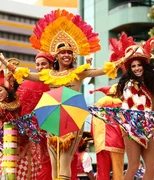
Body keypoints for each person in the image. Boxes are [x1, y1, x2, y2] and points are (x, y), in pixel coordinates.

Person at [0, 9, 137, 180]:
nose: (66, 55)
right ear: (56, 56)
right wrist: (5, 62)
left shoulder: (79, 72)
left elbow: (103, 70)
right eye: (63, 52)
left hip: (71, 120)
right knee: (54, 164)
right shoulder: (48, 75)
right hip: (52, 119)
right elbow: (26, 74)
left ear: (73, 56)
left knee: (64, 164)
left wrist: (124, 59)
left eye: (69, 53)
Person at [113, 33, 154, 180]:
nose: (136, 68)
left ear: (144, 65)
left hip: (147, 128)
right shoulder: (128, 85)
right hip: (131, 128)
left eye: (139, 65)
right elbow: (132, 110)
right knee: (133, 166)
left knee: (152, 167)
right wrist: (144, 125)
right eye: (133, 66)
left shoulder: (151, 80)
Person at [16, 52, 54, 180]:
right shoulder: (27, 84)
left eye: (43, 64)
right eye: (37, 64)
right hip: (36, 132)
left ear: (51, 65)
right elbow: (21, 107)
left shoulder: (57, 82)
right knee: (44, 163)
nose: (40, 67)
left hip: (54, 128)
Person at [90, 84, 125, 180]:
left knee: (102, 174)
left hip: (100, 143)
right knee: (118, 173)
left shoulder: (97, 105)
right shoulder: (121, 105)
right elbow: (125, 125)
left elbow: (92, 129)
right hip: (117, 143)